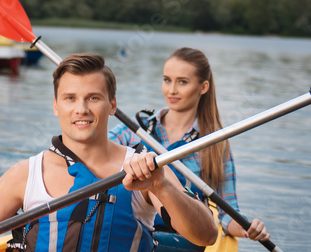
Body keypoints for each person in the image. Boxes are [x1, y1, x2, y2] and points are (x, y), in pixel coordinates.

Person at [0, 53, 218, 252]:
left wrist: (161, 187)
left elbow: (206, 235)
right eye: (70, 98)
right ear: (56, 106)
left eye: (93, 98)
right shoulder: (25, 173)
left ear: (112, 105)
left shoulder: (145, 169)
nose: (81, 109)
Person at [109, 47, 269, 242]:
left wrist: (247, 228)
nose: (172, 90)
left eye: (182, 82)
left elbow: (228, 215)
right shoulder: (135, 128)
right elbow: (92, 153)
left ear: (203, 87)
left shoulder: (214, 145)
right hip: (133, 226)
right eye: (167, 80)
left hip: (181, 238)